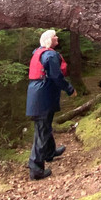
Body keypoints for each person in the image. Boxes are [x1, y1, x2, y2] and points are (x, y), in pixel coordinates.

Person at [26, 29, 76, 180]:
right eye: (55, 36)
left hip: (38, 93)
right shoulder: (50, 55)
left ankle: (49, 152)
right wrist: (69, 89)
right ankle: (36, 169)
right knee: (42, 130)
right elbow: (56, 76)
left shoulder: (39, 52)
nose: (57, 37)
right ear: (49, 40)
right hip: (43, 95)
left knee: (45, 125)